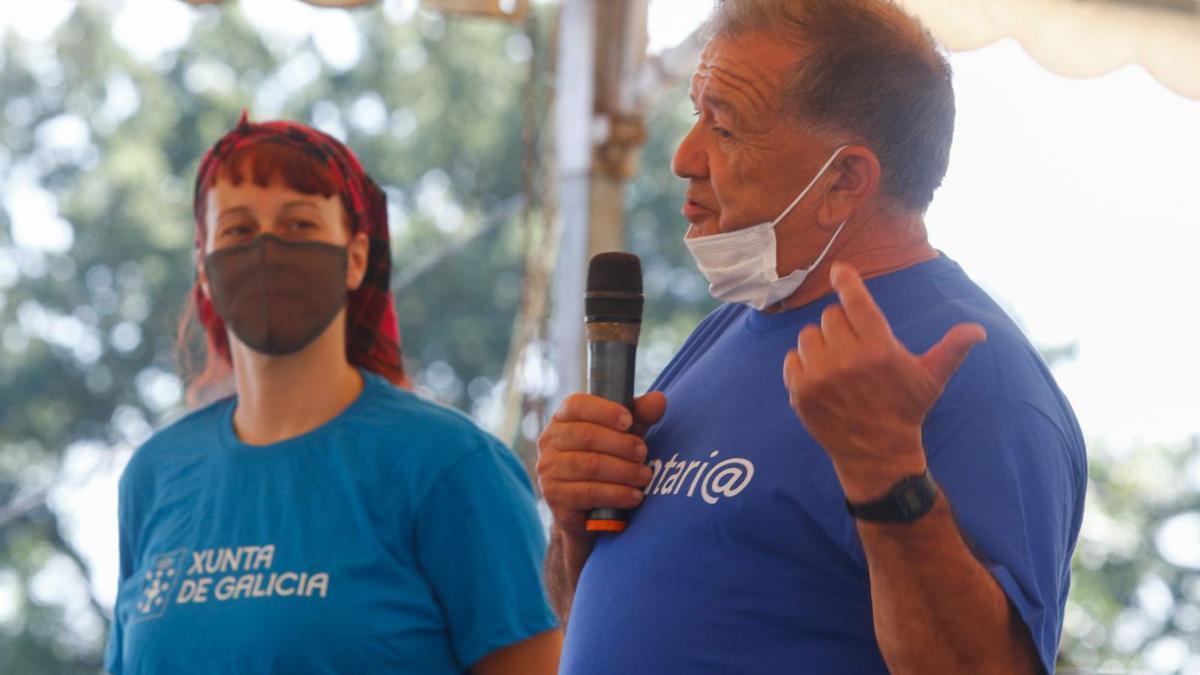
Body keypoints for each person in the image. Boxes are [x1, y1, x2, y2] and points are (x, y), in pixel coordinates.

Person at [537, 1, 1086, 673]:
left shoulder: (977, 371)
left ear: (845, 180)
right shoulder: (727, 331)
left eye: (726, 127)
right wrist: (573, 517)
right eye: (695, 115)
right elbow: (590, 613)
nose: (684, 158)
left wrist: (886, 473)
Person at [105, 113, 561, 675]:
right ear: (203, 267)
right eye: (238, 230)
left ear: (356, 257)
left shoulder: (450, 466)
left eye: (300, 225)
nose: (268, 250)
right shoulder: (154, 475)